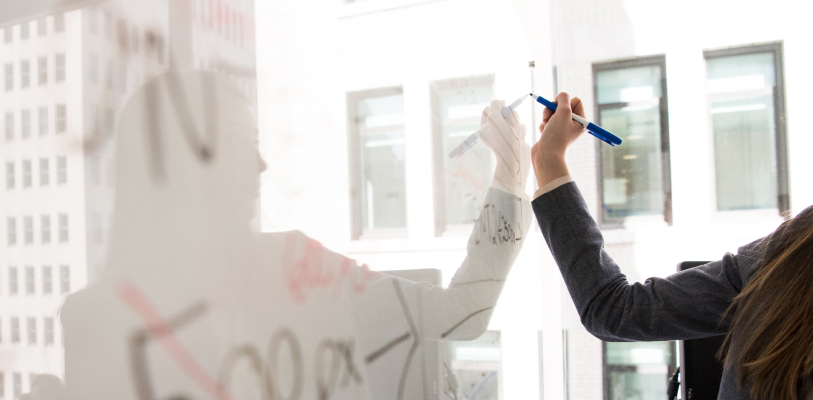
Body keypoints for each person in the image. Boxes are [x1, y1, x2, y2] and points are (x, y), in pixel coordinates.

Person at [58, 70, 532, 400]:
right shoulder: (97, 320)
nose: (261, 164)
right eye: (242, 144)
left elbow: (460, 314)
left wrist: (509, 180)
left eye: (258, 144)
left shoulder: (298, 263)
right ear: (183, 166)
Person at [530, 92, 813, 400]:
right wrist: (549, 160)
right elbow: (614, 309)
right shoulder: (799, 249)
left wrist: (548, 160)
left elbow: (613, 309)